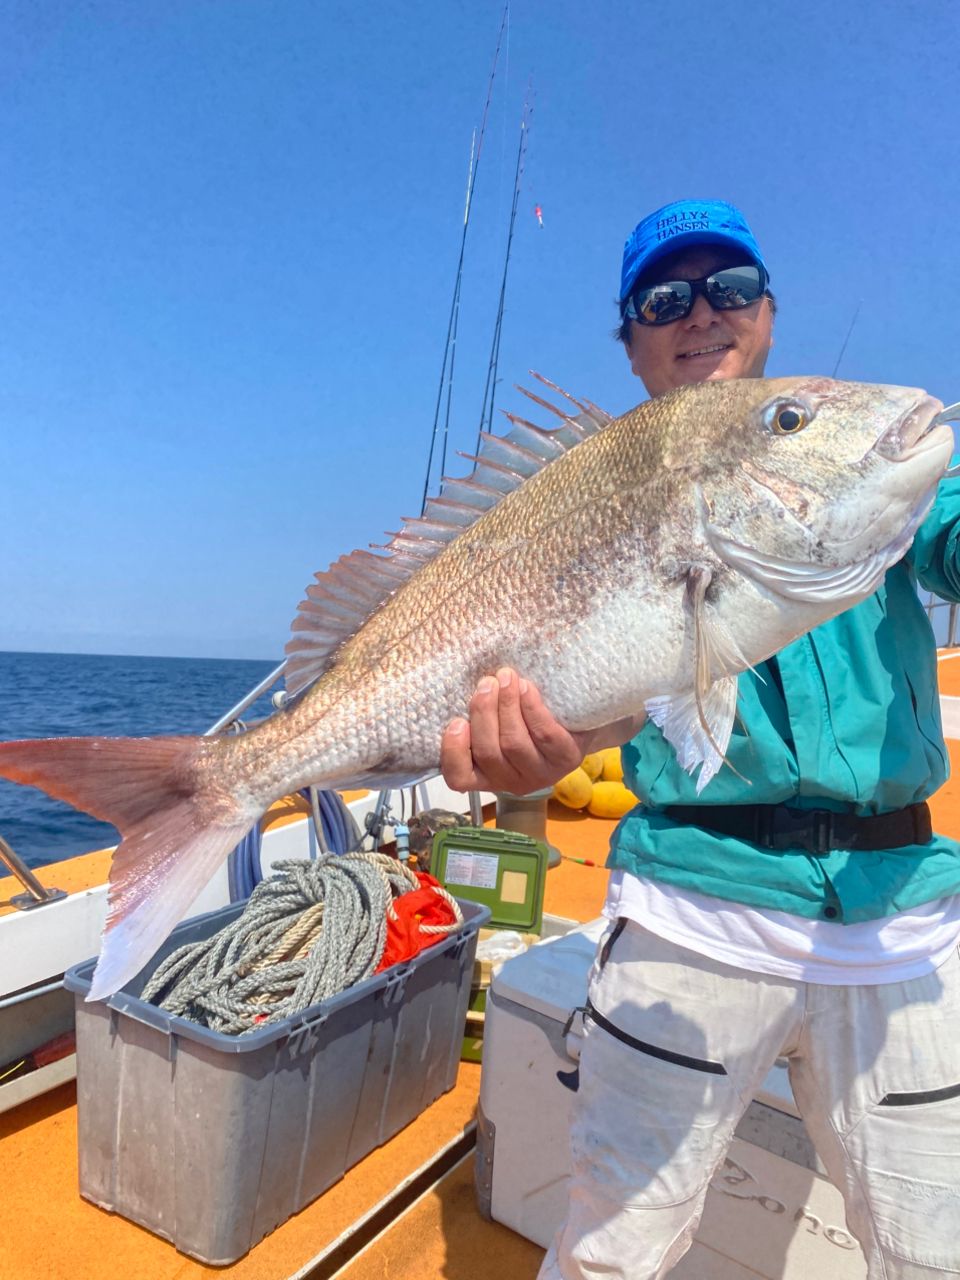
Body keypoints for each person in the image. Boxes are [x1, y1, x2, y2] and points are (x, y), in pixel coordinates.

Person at [441, 198, 960, 1280]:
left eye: (730, 287)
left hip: (904, 911)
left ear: (769, 312)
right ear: (630, 343)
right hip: (695, 906)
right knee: (610, 1255)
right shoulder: (592, 484)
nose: (701, 313)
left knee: (936, 1249)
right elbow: (612, 697)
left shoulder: (864, 461)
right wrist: (531, 753)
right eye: (664, 299)